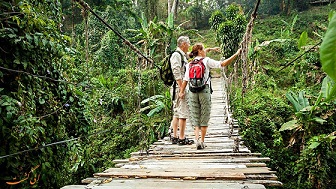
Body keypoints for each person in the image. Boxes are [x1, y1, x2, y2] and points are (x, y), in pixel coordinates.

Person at [179, 43, 241, 149]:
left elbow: (186, 80)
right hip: (204, 90)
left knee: (195, 116)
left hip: (192, 91)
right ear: (199, 51)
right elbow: (223, 64)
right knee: (204, 115)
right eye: (203, 49)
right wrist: (236, 54)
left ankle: (197, 139)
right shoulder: (206, 61)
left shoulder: (189, 64)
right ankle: (202, 141)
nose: (205, 51)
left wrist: (181, 92)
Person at [169, 36, 194, 145]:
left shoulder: (181, 55)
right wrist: (182, 89)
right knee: (182, 112)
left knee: (177, 112)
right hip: (179, 87)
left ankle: (175, 136)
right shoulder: (176, 55)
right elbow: (176, 72)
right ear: (183, 44)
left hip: (178, 87)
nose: (189, 45)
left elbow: (191, 56)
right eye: (188, 43)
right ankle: (182, 138)